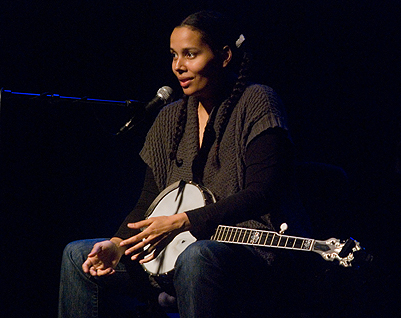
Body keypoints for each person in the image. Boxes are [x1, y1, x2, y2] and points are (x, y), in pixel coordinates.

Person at [59, 10, 309, 318]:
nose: (179, 66)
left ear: (225, 56)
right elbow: (146, 204)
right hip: (174, 254)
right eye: (174, 55)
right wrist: (117, 244)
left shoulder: (257, 101)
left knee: (198, 255)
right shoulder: (169, 117)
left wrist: (182, 221)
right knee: (78, 255)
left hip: (249, 249)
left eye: (190, 55)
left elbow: (263, 193)